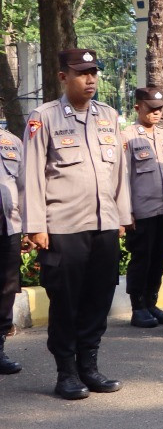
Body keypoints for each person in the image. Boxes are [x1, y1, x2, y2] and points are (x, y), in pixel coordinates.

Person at [22, 47, 131, 399]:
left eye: (94, 72)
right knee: (66, 302)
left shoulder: (109, 116)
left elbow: (119, 173)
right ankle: (66, 372)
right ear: (62, 77)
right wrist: (36, 225)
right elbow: (33, 175)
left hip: (103, 225)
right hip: (63, 228)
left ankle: (90, 366)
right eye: (82, 73)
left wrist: (121, 217)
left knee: (98, 299)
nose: (90, 79)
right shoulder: (45, 117)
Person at [122, 87, 163, 328]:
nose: (156, 113)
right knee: (142, 259)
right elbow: (122, 176)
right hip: (142, 211)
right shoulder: (127, 136)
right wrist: (126, 212)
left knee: (159, 258)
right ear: (138, 108)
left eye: (159, 109)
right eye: (151, 109)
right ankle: (138, 308)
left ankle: (151, 302)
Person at [0, 120, 22, 376]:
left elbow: (24, 187)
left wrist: (29, 225)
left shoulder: (12, 142)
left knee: (6, 288)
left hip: (9, 226)